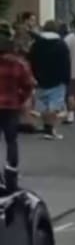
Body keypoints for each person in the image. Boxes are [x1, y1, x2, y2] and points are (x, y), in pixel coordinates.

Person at [0, 23, 34, 191]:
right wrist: (20, 99)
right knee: (11, 140)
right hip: (10, 105)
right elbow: (28, 84)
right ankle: (11, 173)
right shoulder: (18, 64)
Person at [27, 21, 70, 140]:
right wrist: (67, 79)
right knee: (55, 106)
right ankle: (52, 130)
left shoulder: (36, 44)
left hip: (41, 80)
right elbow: (66, 64)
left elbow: (31, 61)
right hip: (57, 79)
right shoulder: (62, 45)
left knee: (44, 106)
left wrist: (34, 76)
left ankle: (47, 128)